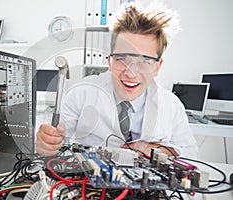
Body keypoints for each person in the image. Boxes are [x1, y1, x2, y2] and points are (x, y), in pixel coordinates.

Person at [36, 1, 198, 158]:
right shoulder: (81, 94)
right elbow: (55, 146)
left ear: (157, 67)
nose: (131, 73)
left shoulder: (171, 105)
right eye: (122, 58)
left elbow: (191, 153)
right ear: (110, 61)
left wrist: (156, 149)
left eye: (144, 61)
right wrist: (47, 144)